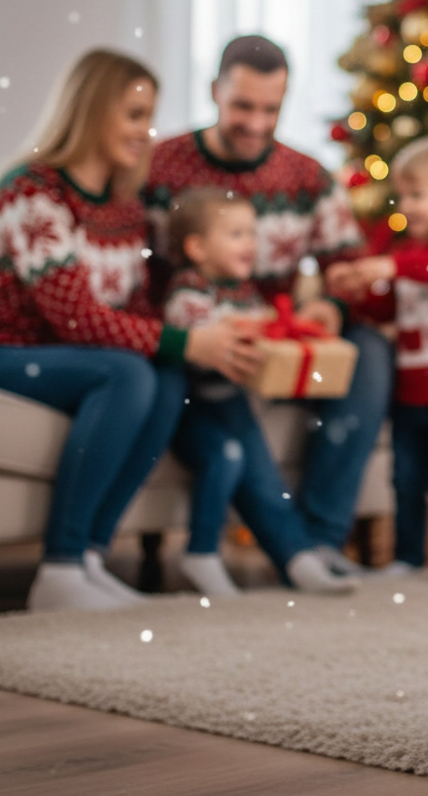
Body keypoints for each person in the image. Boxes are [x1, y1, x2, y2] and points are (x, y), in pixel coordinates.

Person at [0, 49, 254, 611]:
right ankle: (59, 567)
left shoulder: (124, 209)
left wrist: (202, 332)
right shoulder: (31, 190)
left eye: (149, 116)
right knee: (130, 373)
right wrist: (187, 340)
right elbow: (78, 318)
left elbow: (132, 310)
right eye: (134, 115)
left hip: (53, 355)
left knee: (161, 373)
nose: (146, 132)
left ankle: (88, 556)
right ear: (91, 110)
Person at [145, 35, 392, 574]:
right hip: (196, 336)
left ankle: (323, 537)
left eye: (270, 109)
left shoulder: (307, 176)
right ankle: (294, 548)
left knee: (368, 352)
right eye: (242, 107)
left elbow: (347, 270)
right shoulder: (162, 166)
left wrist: (330, 308)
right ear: (214, 92)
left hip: (278, 332)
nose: (256, 124)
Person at [162, 187, 355, 595]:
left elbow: (261, 325)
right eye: (235, 234)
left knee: (250, 460)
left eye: (251, 233)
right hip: (192, 408)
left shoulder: (243, 291)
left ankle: (296, 556)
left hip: (230, 403)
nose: (250, 243)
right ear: (196, 247)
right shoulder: (189, 292)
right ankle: (279, 555)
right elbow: (199, 335)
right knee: (240, 453)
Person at [326, 139, 428, 589]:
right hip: (411, 394)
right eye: (404, 195)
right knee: (406, 481)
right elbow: (388, 310)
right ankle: (408, 555)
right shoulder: (407, 257)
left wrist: (388, 266)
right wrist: (360, 288)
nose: (407, 207)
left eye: (417, 195)